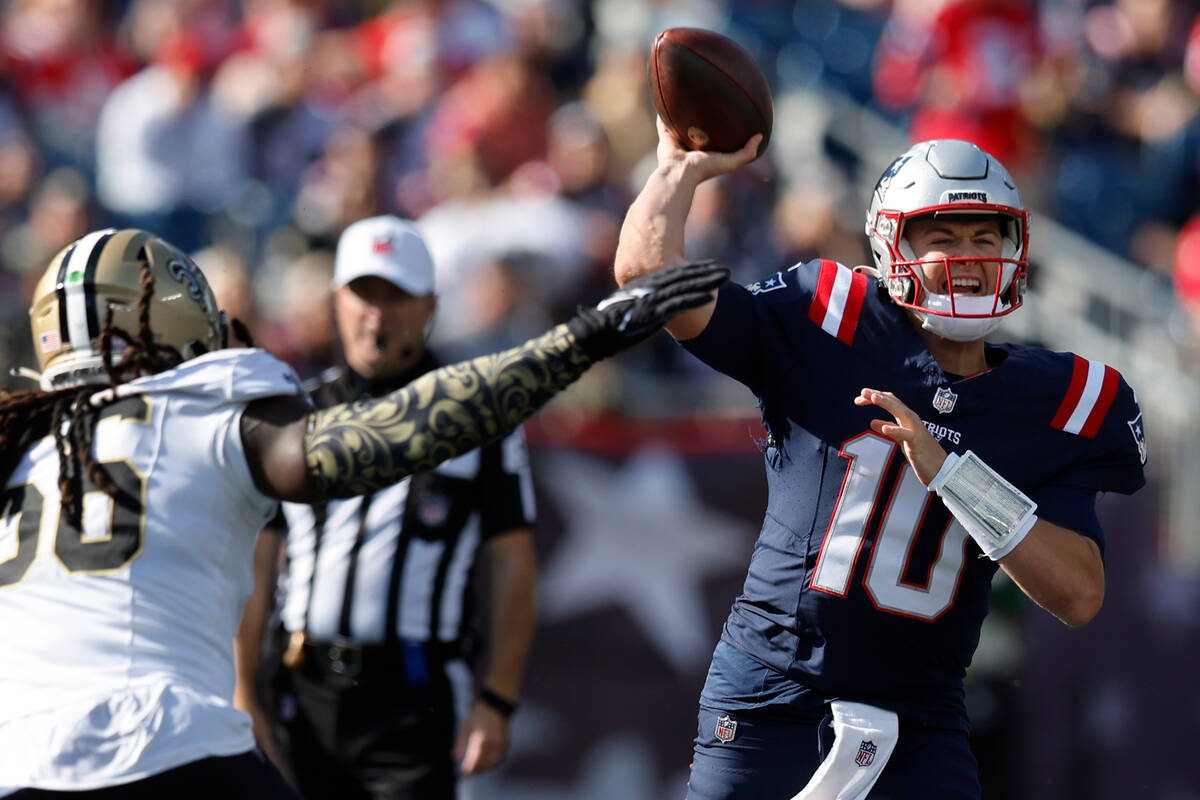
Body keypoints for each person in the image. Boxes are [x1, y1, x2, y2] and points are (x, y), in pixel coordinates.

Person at [0, 227, 728, 797]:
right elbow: (391, 434)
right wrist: (580, 340)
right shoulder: (197, 414)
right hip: (157, 741)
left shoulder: (21, 449)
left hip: (17, 758)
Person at [614, 127, 1147, 799]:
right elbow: (648, 280)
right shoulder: (831, 319)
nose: (970, 257)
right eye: (944, 237)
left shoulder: (1054, 400)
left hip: (922, 717)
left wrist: (955, 475)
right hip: (773, 693)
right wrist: (678, 171)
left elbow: (1079, 594)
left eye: (987, 237)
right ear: (892, 245)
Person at [234, 215, 536, 799]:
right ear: (335, 302)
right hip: (300, 689)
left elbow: (513, 563)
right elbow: (255, 562)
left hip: (414, 699)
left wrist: (497, 697)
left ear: (430, 306)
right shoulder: (293, 414)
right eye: (362, 292)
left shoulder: (480, 421)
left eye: (395, 295)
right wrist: (243, 690)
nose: (377, 312)